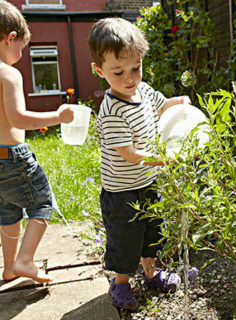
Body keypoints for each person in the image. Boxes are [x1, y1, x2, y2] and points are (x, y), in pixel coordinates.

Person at [88, 17, 191, 310]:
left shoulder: (143, 91)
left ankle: (151, 272)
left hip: (147, 181)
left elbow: (160, 104)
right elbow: (129, 154)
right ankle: (121, 282)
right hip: (121, 192)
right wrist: (163, 159)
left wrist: (177, 102)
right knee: (125, 239)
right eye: (118, 72)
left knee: (152, 231)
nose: (130, 77)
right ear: (99, 70)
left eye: (136, 67)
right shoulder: (111, 110)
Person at [0, 1, 74, 283]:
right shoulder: (8, 73)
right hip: (12, 156)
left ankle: (9, 268)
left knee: (7, 211)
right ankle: (25, 260)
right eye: (21, 47)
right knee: (42, 201)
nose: (20, 54)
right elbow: (17, 119)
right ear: (11, 38)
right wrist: (57, 116)